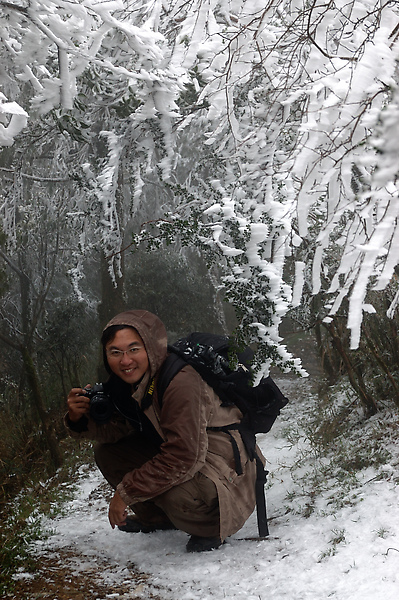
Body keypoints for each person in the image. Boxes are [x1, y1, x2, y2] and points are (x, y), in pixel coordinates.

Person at [65, 309, 263, 552]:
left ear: (150, 347)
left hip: (224, 463)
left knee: (174, 491)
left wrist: (125, 493)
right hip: (194, 454)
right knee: (109, 454)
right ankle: (159, 519)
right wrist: (78, 418)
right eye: (115, 352)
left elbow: (184, 456)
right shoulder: (127, 383)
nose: (125, 361)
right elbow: (120, 430)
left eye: (134, 349)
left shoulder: (179, 381)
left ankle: (210, 527)